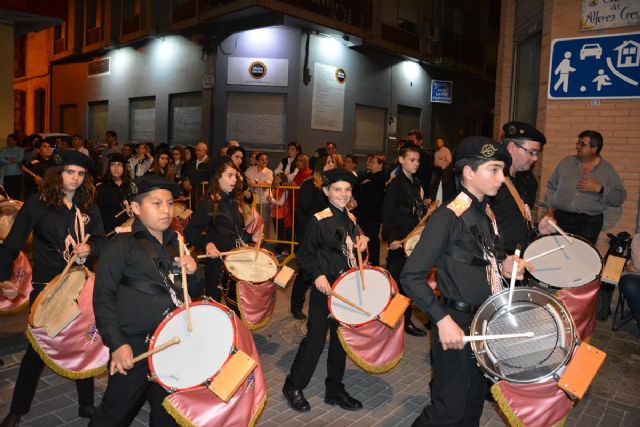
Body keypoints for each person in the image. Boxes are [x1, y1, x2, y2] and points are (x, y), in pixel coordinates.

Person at [399, 136, 527, 426]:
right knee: (448, 411)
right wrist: (441, 320)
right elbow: (411, 276)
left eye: (502, 170)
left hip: (484, 322)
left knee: (472, 407)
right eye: (493, 169)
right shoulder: (447, 217)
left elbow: (479, 259)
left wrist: (505, 264)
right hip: (456, 320)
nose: (501, 177)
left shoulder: (486, 213)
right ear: (469, 172)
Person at [0, 150, 106, 427]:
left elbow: (101, 239)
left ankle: (86, 405)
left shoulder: (88, 205)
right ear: (57, 173)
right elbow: (13, 243)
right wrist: (2, 276)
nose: (76, 178)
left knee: (83, 344)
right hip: (47, 288)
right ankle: (17, 410)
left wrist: (90, 247)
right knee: (37, 350)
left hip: (81, 286)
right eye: (70, 172)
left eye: (81, 174)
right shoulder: (38, 203)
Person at [91, 175, 203, 426]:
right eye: (156, 203)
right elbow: (103, 298)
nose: (166, 210)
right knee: (114, 413)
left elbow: (191, 292)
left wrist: (194, 271)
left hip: (173, 344)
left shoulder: (177, 243)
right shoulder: (121, 245)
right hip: (134, 346)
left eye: (170, 203)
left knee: (168, 415)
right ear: (136, 208)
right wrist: (117, 343)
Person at [283, 168, 368, 413]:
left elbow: (352, 251)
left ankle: (334, 389)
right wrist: (317, 275)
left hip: (346, 288)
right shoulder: (318, 219)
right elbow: (304, 254)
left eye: (347, 189)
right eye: (337, 189)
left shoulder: (351, 219)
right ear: (326, 191)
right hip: (325, 288)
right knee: (315, 340)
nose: (343, 194)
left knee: (341, 341)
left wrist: (362, 244)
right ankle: (294, 386)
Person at [183, 160, 256, 304]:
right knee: (213, 306)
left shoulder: (233, 201)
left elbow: (235, 232)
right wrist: (207, 244)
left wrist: (251, 236)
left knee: (236, 306)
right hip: (217, 266)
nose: (234, 180)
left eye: (235, 176)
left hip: (235, 264)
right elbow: (190, 231)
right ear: (218, 177)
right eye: (230, 176)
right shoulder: (208, 203)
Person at [544, 130, 626, 244]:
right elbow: (551, 186)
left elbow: (619, 198)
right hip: (561, 218)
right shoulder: (566, 163)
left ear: (594, 148)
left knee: (582, 257)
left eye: (582, 144)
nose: (577, 146)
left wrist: (600, 189)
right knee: (557, 253)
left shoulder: (607, 170)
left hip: (588, 223)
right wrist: (549, 209)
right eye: (578, 143)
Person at [382, 144, 428, 336]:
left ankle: (400, 321)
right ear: (401, 160)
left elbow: (414, 211)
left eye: (417, 160)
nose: (416, 163)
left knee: (407, 282)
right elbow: (387, 213)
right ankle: (393, 322)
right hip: (399, 240)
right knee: (398, 283)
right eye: (412, 160)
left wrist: (427, 211)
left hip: (412, 240)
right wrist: (391, 238)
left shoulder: (415, 183)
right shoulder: (396, 184)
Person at [492, 121, 556, 254]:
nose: (535, 158)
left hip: (518, 258)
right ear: (511, 147)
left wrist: (538, 229)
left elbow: (518, 224)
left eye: (537, 153)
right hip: (496, 259)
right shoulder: (490, 181)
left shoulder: (529, 182)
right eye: (532, 152)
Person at [290, 154, 335, 320]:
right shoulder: (309, 185)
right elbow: (302, 213)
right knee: (305, 273)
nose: (332, 164)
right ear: (321, 166)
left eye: (332, 162)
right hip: (310, 235)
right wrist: (305, 237)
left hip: (326, 237)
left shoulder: (331, 186)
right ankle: (296, 306)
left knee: (324, 271)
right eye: (328, 162)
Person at [353, 153, 386, 266]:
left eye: (373, 162)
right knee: (362, 238)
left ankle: (374, 264)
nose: (370, 164)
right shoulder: (368, 176)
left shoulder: (381, 178)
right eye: (370, 162)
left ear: (380, 165)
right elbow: (357, 188)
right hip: (363, 213)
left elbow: (365, 190)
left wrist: (364, 185)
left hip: (373, 215)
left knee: (371, 240)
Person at [96, 153, 133, 235]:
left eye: (119, 165)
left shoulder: (131, 187)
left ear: (124, 168)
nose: (116, 168)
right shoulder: (101, 188)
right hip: (110, 232)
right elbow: (97, 215)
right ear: (109, 168)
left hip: (129, 230)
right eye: (113, 165)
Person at [245, 152, 274, 236]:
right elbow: (246, 179)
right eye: (262, 159)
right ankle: (252, 242)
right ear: (257, 161)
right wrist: (256, 183)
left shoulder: (269, 172)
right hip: (252, 201)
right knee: (252, 222)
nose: (265, 161)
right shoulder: (250, 169)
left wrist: (255, 183)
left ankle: (263, 243)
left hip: (264, 201)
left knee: (264, 223)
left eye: (266, 159)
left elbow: (267, 185)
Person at [181, 142, 213, 208]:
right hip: (192, 196)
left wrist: (190, 182)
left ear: (205, 151)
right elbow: (184, 174)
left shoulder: (211, 163)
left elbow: (204, 176)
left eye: (199, 150)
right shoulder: (192, 163)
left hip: (204, 196)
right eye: (196, 150)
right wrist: (186, 180)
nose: (196, 152)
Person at [406, 130, 433, 200]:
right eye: (408, 141)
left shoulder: (426, 155)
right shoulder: (404, 154)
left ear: (420, 142)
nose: (410, 143)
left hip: (420, 192)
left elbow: (425, 177)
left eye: (412, 141)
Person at [0, 134, 24, 200]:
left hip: (17, 174)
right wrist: (13, 160)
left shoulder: (20, 150)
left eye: (10, 140)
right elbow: (0, 160)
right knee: (7, 194)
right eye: (7, 140)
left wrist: (7, 158)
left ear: (15, 141)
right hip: (6, 175)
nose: (8, 141)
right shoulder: (3, 150)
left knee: (16, 194)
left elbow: (20, 159)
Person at [431, 137, 454, 202]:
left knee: (444, 186)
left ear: (443, 143)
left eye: (440, 142)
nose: (438, 143)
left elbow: (449, 160)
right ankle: (434, 200)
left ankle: (444, 201)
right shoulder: (436, 151)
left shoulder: (446, 150)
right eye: (437, 142)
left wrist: (443, 166)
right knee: (434, 185)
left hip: (443, 170)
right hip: (436, 170)